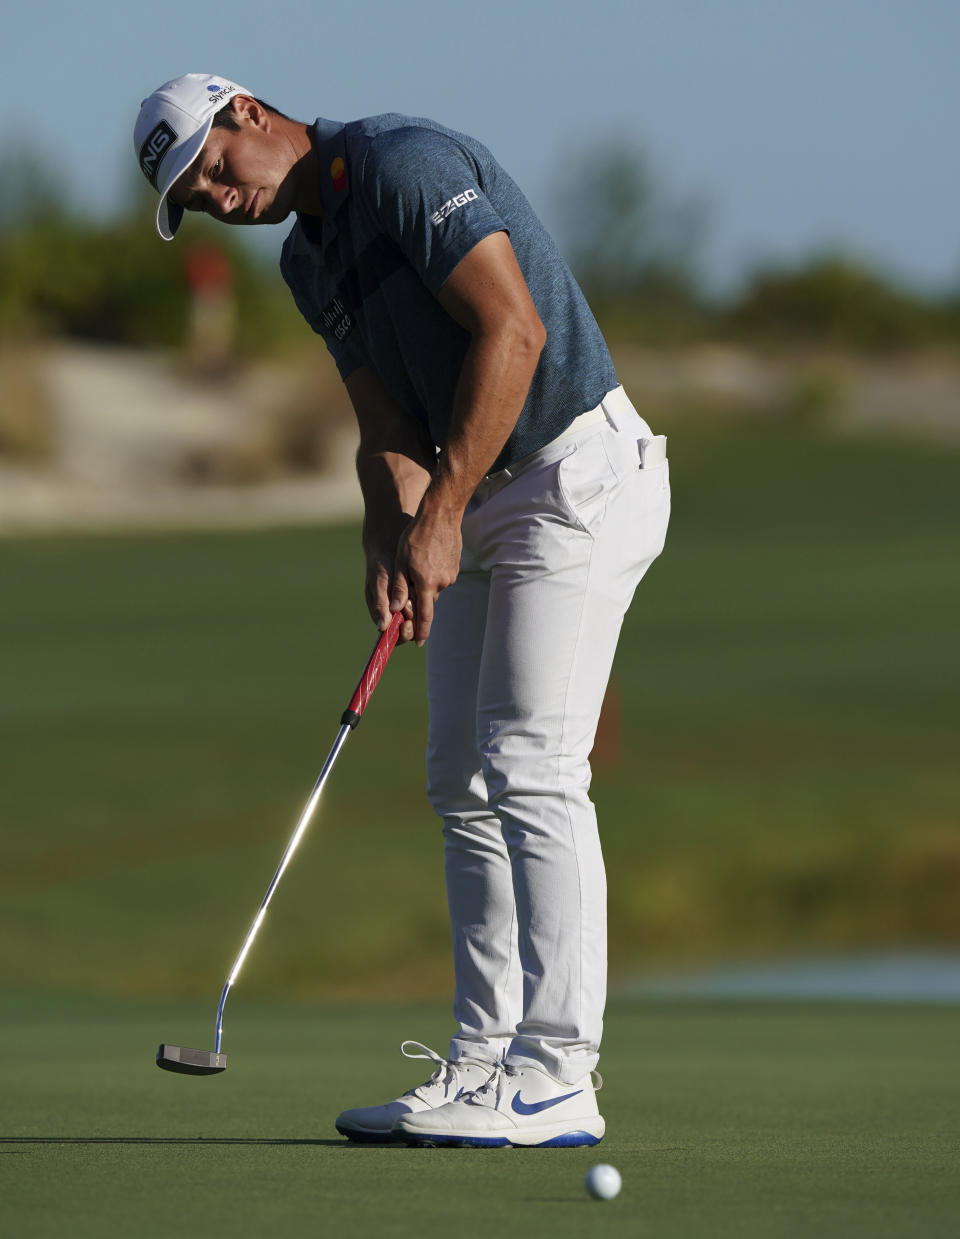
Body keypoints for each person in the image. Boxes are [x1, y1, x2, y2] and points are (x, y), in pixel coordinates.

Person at [134, 73, 671, 1148]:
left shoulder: (398, 165)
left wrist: (448, 510)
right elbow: (383, 416)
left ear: (247, 112)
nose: (215, 197)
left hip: (575, 477)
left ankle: (561, 1071)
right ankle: (485, 1063)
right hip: (487, 499)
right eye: (192, 197)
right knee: (458, 780)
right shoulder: (305, 259)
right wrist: (391, 525)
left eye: (210, 166)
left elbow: (510, 335)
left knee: (530, 766)